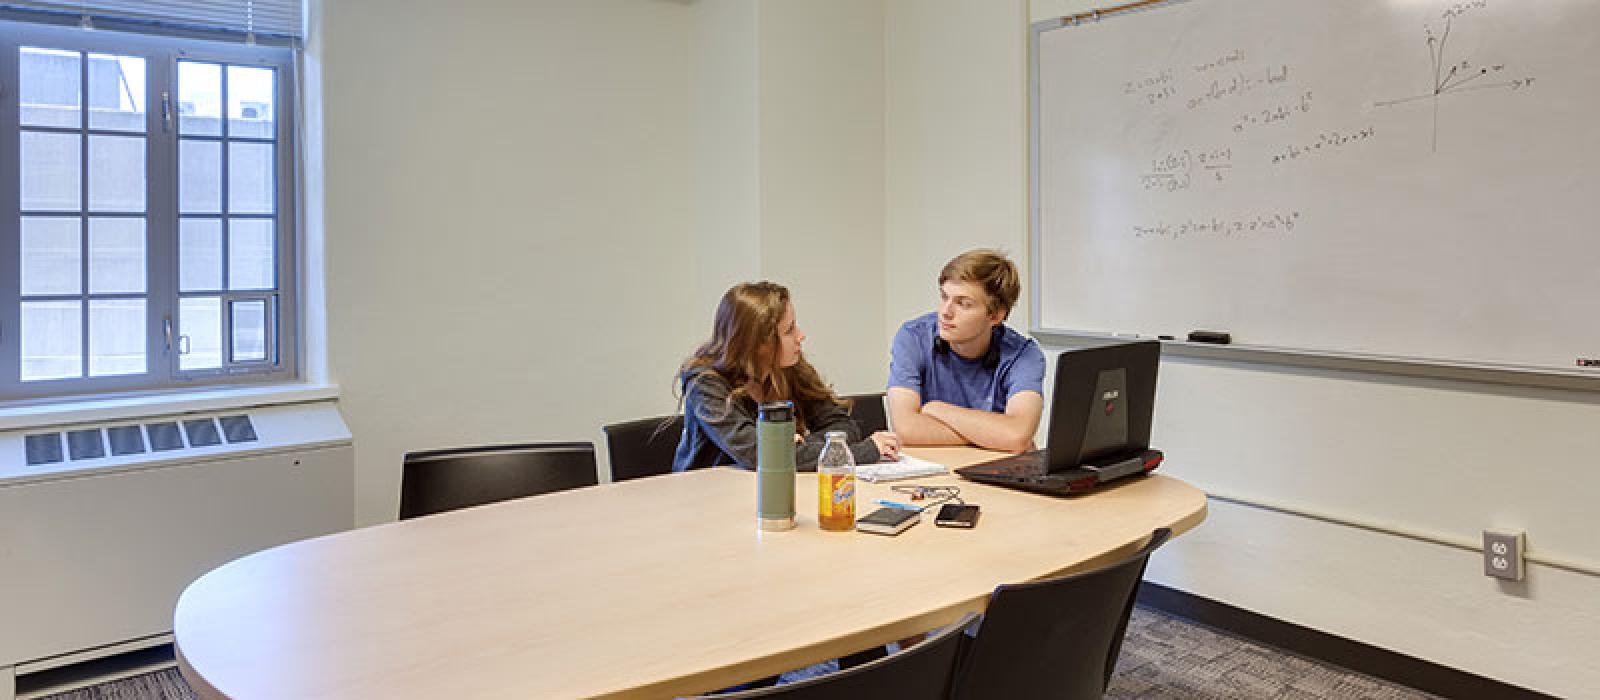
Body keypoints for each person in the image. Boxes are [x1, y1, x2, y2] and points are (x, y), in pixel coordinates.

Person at [673, 281, 900, 472]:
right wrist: (865, 452)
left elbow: (843, 426)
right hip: (705, 498)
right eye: (789, 330)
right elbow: (759, 455)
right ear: (760, 343)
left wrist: (797, 447)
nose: (801, 336)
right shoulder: (705, 383)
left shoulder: (789, 368)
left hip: (767, 489)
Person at [887, 249, 1045, 453]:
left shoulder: (1024, 354)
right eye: (944, 297)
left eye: (963, 303)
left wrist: (936, 409)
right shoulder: (913, 337)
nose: (945, 312)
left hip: (990, 471)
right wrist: (992, 436)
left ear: (995, 316)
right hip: (931, 470)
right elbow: (906, 429)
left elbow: (1016, 436)